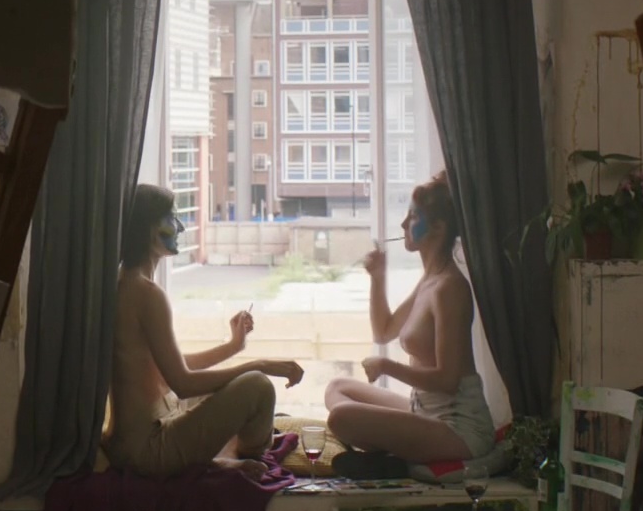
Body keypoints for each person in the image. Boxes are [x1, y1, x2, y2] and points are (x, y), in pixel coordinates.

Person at [108, 184, 305, 479]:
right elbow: (183, 383)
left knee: (221, 392)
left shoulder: (126, 283)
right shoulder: (147, 293)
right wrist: (260, 364)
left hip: (135, 439)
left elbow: (169, 368)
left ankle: (221, 458)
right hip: (148, 450)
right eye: (172, 218)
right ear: (149, 229)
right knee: (257, 386)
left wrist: (233, 347)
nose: (181, 227)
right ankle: (236, 455)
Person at [323, 172, 496, 463]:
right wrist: (378, 278)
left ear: (438, 228)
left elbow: (448, 380)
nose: (403, 224)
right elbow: (384, 331)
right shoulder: (430, 280)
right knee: (337, 388)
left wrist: (386, 366)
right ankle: (397, 449)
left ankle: (393, 456)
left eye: (413, 217)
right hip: (424, 411)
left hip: (459, 429)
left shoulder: (449, 288)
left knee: (341, 417)